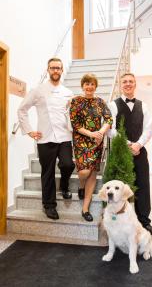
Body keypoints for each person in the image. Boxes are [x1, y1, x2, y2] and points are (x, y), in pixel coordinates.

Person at [18, 58, 75, 220]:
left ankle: (64, 185)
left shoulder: (68, 92)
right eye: (53, 68)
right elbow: (22, 109)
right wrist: (29, 131)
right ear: (48, 70)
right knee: (47, 172)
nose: (55, 71)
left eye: (58, 68)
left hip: (64, 136)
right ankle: (49, 205)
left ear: (62, 70)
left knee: (68, 164)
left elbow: (73, 115)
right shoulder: (38, 90)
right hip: (45, 138)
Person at [108, 73, 152, 237]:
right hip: (120, 152)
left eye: (131, 81)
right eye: (124, 81)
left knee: (143, 187)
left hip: (139, 151)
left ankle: (145, 224)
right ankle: (119, 226)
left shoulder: (144, 106)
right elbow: (110, 129)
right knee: (119, 190)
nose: (128, 84)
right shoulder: (112, 105)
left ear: (135, 84)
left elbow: (148, 129)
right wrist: (127, 144)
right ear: (120, 84)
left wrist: (138, 144)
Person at [70, 73, 113, 222]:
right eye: (87, 84)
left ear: (95, 86)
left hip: (96, 141)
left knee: (93, 173)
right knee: (84, 172)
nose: (89, 86)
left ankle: (85, 209)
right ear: (82, 86)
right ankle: (81, 185)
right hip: (81, 139)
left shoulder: (100, 102)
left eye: (92, 84)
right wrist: (91, 134)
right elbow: (75, 124)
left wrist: (100, 132)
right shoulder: (75, 101)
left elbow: (109, 119)